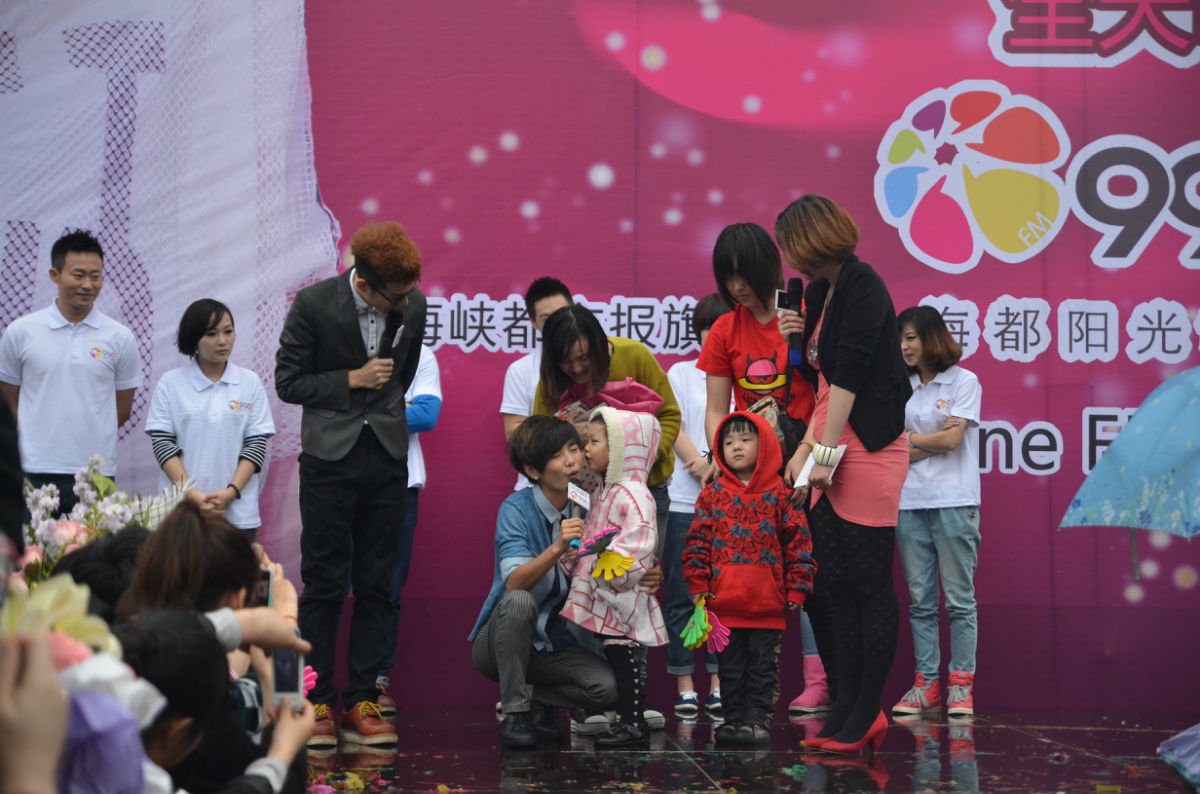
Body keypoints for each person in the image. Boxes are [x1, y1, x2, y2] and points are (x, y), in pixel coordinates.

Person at [275, 220, 426, 747]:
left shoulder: (413, 304)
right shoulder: (314, 304)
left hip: (386, 454)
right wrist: (351, 381)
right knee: (323, 581)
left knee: (378, 582)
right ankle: (317, 700)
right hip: (328, 457)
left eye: (409, 294)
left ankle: (364, 697)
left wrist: (378, 405)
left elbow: (403, 374)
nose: (406, 303)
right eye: (396, 296)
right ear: (363, 283)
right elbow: (289, 381)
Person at [774, 194, 911, 755]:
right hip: (830, 438)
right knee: (830, 586)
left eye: (790, 243)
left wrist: (822, 456)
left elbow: (851, 377)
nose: (788, 255)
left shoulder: (862, 283)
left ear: (812, 239)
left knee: (869, 584)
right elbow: (822, 381)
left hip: (868, 446)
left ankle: (867, 709)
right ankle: (848, 704)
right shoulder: (820, 293)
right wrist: (809, 446)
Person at [696, 222, 829, 715]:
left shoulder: (804, 312)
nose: (737, 286)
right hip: (752, 477)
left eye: (744, 274)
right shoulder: (723, 330)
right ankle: (743, 700)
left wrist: (807, 457)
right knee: (749, 575)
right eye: (727, 277)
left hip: (807, 460)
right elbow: (718, 409)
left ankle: (823, 680)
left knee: (810, 572)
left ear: (767, 266)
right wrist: (721, 460)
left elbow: (828, 392)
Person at [468, 415, 618, 750]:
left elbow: (605, 562)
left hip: (551, 642)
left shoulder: (583, 500)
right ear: (532, 470)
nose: (572, 461)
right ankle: (515, 712)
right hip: (499, 642)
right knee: (520, 601)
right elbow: (514, 584)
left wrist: (643, 569)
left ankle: (537, 700)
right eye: (557, 456)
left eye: (573, 449)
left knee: (607, 688)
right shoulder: (515, 509)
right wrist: (557, 548)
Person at [682, 411, 815, 745]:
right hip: (724, 605)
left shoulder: (782, 495)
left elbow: (799, 544)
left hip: (768, 606)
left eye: (745, 439)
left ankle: (757, 722)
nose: (736, 447)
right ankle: (733, 720)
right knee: (729, 668)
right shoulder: (712, 495)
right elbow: (697, 542)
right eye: (728, 442)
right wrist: (698, 585)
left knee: (762, 669)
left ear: (766, 445)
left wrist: (797, 591)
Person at [0, 230, 143, 516]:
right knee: (31, 546)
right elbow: (8, 403)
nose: (88, 285)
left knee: (95, 546)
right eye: (78, 275)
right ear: (55, 275)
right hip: (32, 469)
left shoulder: (120, 337)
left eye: (96, 276)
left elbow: (122, 409)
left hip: (95, 475)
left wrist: (88, 433)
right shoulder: (21, 332)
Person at [892, 306, 982, 719]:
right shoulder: (901, 385)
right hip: (909, 502)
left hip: (954, 500)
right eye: (901, 339)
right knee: (921, 602)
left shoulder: (964, 381)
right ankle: (925, 685)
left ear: (931, 337)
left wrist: (913, 440)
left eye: (911, 337)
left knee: (959, 601)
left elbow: (951, 442)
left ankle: (960, 687)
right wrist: (929, 440)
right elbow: (894, 448)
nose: (904, 346)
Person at [561, 407, 668, 747]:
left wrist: (606, 567)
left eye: (594, 442)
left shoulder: (633, 494)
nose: (586, 449)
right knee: (616, 653)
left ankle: (632, 722)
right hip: (609, 591)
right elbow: (598, 535)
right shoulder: (607, 490)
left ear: (622, 448)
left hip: (620, 593)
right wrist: (581, 554)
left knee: (623, 656)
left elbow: (639, 541)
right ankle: (629, 717)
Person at [533, 303, 680, 535]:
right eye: (565, 361)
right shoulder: (551, 381)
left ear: (599, 345)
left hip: (645, 487)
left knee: (640, 557)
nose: (576, 368)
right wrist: (566, 434)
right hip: (580, 493)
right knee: (583, 556)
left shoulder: (635, 355)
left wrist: (647, 456)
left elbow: (670, 415)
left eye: (584, 358)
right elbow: (536, 436)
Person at [145, 299, 275, 541]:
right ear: (193, 338)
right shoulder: (170, 383)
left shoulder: (250, 383)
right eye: (211, 334)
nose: (222, 341)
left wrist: (231, 493)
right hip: (180, 513)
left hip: (237, 513)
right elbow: (162, 444)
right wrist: (191, 495)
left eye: (228, 331)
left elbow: (256, 444)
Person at [663, 294, 729, 719]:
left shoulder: (745, 376)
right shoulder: (681, 373)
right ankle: (685, 684)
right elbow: (672, 426)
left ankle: (719, 683)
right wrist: (701, 464)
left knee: (723, 596)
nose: (714, 335)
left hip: (731, 503)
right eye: (708, 328)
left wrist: (721, 466)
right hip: (685, 499)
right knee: (681, 594)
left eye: (723, 327)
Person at [376, 344, 442, 718]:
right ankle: (316, 693)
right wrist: (398, 407)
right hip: (343, 484)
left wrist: (363, 412)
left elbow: (426, 415)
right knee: (330, 587)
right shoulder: (340, 342)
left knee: (386, 590)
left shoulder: (420, 353)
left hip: (399, 486)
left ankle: (376, 682)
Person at [500, 278, 573, 490]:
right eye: (546, 318)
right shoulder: (520, 370)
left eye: (561, 313)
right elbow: (514, 434)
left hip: (591, 486)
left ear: (574, 310)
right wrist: (568, 431)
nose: (556, 323)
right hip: (537, 488)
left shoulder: (597, 362)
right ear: (533, 322)